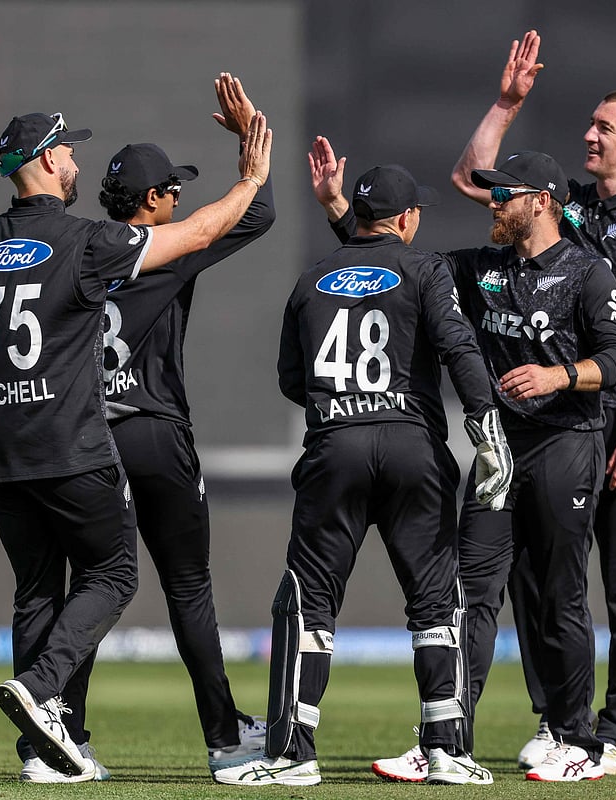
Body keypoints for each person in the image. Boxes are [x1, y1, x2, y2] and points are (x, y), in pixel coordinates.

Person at [0, 77, 272, 781]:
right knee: (119, 572)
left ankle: (48, 750)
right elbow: (207, 230)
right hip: (81, 440)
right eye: (68, 150)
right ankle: (47, 694)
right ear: (48, 158)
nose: (75, 161)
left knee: (38, 590)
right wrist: (250, 171)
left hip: (0, 446)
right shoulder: (90, 242)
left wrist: (11, 404)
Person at [312, 140, 616, 781]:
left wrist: (558, 376)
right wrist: (338, 208)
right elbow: (390, 263)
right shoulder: (481, 267)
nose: (493, 200)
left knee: (561, 597)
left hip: (567, 444)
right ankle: (446, 741)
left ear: (541, 202)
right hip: (499, 452)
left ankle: (577, 742)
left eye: (504, 192)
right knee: (470, 595)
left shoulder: (587, 271)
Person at [214, 162, 513, 787]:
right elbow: (459, 348)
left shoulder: (312, 278)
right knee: (436, 602)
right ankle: (446, 750)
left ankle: (293, 755)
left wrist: (346, 408)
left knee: (308, 602)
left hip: (335, 447)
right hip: (413, 448)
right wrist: (487, 432)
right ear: (406, 219)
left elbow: (291, 379)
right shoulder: (426, 269)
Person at [450, 30, 616, 775]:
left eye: (604, 127)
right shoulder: (573, 206)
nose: (589, 134)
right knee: (540, 580)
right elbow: (473, 180)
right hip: (565, 422)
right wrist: (505, 104)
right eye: (589, 123)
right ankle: (557, 719)